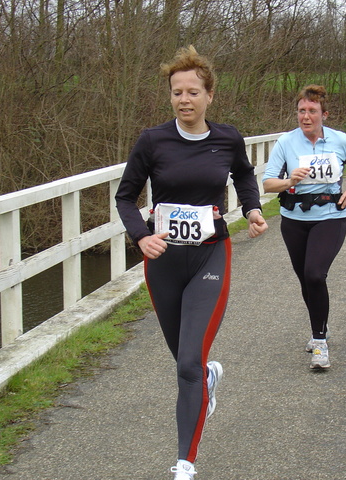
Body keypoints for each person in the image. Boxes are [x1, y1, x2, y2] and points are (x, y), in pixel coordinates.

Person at [115, 46, 268, 479]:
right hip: (163, 260)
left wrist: (253, 209)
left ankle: (185, 463)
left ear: (209, 96)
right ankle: (207, 378)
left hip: (209, 255)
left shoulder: (227, 138)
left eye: (193, 92)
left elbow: (243, 174)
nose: (185, 99)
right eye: (177, 92)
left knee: (186, 365)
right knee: (186, 360)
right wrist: (141, 237)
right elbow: (125, 196)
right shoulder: (153, 140)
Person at [263, 84, 346, 370]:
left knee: (315, 274)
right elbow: (268, 182)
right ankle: (321, 324)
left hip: (331, 216)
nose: (305, 117)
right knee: (304, 278)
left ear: (324, 114)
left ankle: (319, 342)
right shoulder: (286, 143)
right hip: (294, 218)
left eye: (312, 111)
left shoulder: (341, 141)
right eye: (301, 111)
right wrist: (289, 181)